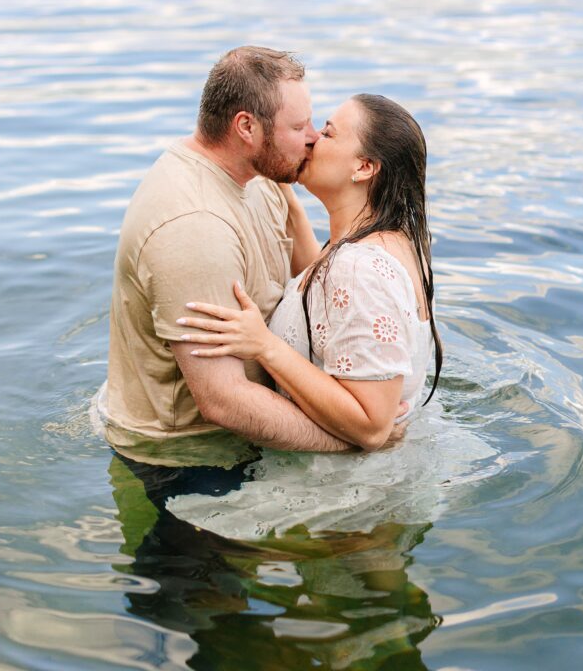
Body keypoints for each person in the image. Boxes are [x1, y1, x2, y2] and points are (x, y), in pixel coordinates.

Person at [103, 46, 380, 467]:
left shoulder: (258, 176)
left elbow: (310, 284)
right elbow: (223, 401)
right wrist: (356, 439)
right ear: (246, 127)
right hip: (183, 459)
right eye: (298, 125)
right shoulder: (194, 226)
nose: (312, 138)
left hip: (248, 433)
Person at [176, 93, 442, 452]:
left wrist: (264, 346)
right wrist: (288, 195)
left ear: (363, 167)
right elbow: (323, 297)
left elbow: (371, 426)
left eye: (329, 133)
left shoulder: (359, 269)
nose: (314, 138)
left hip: (339, 493)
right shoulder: (391, 243)